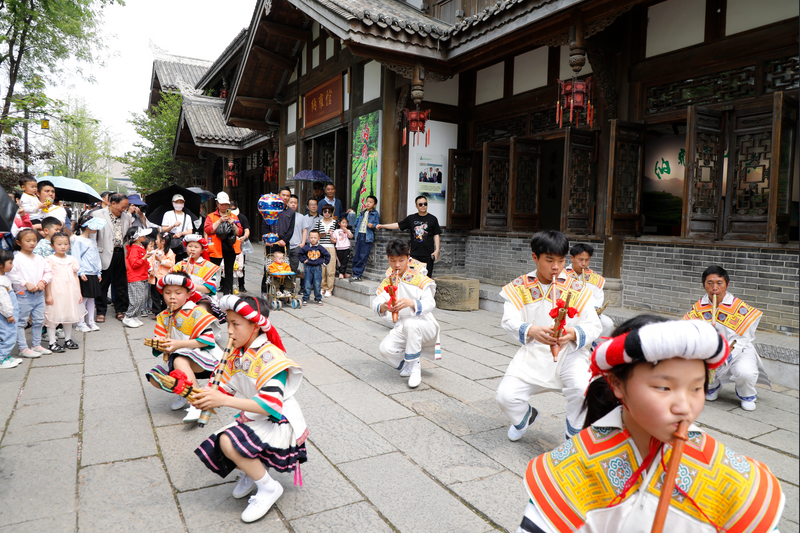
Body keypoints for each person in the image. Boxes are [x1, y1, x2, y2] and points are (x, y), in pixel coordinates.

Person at [516, 316, 785, 533]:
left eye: (696, 388)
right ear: (618, 384)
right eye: (664, 387)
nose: (684, 406)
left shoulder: (724, 470)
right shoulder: (574, 465)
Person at [192, 295, 307, 523]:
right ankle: (254, 472)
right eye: (228, 324)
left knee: (227, 440)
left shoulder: (270, 356)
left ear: (256, 326)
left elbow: (270, 405)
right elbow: (225, 389)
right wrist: (200, 396)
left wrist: (221, 401)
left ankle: (267, 487)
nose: (230, 331)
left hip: (280, 421)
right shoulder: (238, 354)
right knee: (231, 438)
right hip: (257, 417)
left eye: (236, 324)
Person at [495, 230, 601, 442]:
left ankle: (573, 435)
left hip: (570, 352)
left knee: (582, 388)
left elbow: (594, 325)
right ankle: (525, 417)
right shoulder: (520, 286)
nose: (556, 267)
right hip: (535, 351)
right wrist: (531, 330)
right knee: (505, 396)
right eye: (549, 260)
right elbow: (509, 320)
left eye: (561, 261)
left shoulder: (576, 288)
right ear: (535, 257)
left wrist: (572, 333)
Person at [684, 265, 770, 411]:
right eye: (709, 283)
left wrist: (726, 354)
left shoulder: (738, 307)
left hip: (737, 351)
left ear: (727, 284)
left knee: (745, 372)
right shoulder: (699, 308)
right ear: (704, 284)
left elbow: (743, 338)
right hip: (711, 352)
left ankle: (747, 395)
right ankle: (712, 386)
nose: (714, 288)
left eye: (719, 283)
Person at [145, 272, 223, 423]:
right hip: (177, 359)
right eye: (167, 293)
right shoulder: (163, 316)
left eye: (178, 292)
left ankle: (197, 401)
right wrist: (159, 343)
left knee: (180, 359)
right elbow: (159, 337)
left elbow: (207, 340)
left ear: (188, 294)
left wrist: (178, 344)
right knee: (156, 378)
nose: (172, 297)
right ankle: (184, 393)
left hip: (204, 358)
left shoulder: (197, 312)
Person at [371, 239, 441, 388]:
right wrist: (384, 306)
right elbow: (376, 301)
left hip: (424, 323)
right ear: (388, 259)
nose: (397, 265)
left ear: (408, 258)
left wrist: (411, 303)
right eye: (393, 260)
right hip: (403, 325)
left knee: (410, 324)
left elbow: (430, 303)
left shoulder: (419, 278)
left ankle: (415, 368)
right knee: (385, 348)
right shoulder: (389, 280)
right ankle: (407, 364)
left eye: (401, 260)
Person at [7, 228, 52, 357]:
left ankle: (36, 344)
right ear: (19, 242)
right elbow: (11, 274)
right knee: (21, 322)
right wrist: (25, 283)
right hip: (23, 295)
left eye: (34, 240)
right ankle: (23, 348)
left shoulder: (39, 258)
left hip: (38, 294)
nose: (32, 243)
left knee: (38, 320)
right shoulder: (16, 258)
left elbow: (48, 272)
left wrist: (43, 281)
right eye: (28, 241)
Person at [92, 193, 133, 323]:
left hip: (121, 252)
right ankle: (101, 311)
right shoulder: (98, 215)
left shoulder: (127, 217)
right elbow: (94, 237)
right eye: (122, 206)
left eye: (126, 207)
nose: (124, 209)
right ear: (113, 203)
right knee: (103, 283)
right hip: (104, 253)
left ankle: (120, 310)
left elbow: (128, 235)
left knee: (121, 283)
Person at [377, 195, 441, 277]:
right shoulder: (411, 218)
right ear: (416, 206)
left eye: (425, 204)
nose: (423, 206)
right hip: (414, 255)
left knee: (427, 278)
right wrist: (382, 226)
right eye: (420, 204)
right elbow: (398, 225)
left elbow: (436, 234)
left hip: (428, 254)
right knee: (413, 277)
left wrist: (437, 250)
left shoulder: (433, 219)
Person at [43, 232, 83, 353]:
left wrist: (79, 292)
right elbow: (48, 279)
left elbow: (75, 276)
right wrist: (48, 294)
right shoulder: (50, 260)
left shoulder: (72, 259)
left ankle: (68, 339)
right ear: (52, 245)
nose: (63, 246)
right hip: (56, 291)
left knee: (69, 315)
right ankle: (52, 342)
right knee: (53, 316)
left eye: (66, 244)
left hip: (70, 291)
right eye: (59, 244)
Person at [565, 243, 614, 341]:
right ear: (572, 258)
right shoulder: (562, 275)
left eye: (587, 260)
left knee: (608, 323)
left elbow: (599, 297)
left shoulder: (595, 277)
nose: (584, 263)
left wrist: (594, 310)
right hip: (569, 312)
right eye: (580, 260)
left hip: (589, 312)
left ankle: (596, 348)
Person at [204, 192, 242, 296]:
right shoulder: (211, 216)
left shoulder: (234, 216)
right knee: (213, 271)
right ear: (217, 204)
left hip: (230, 246)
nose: (224, 207)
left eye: (226, 204)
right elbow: (208, 230)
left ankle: (227, 294)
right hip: (216, 247)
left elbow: (239, 232)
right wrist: (220, 220)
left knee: (229, 271)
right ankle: (211, 293)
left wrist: (233, 223)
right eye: (222, 204)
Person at [261, 187, 295, 296]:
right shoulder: (270, 209)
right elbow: (264, 225)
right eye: (283, 195)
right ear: (278, 195)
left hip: (284, 244)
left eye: (288, 196)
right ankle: (264, 291)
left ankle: (282, 291)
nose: (285, 198)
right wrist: (267, 239)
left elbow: (291, 229)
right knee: (269, 267)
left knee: (284, 267)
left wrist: (285, 240)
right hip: (272, 243)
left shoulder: (291, 212)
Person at [73, 216, 104, 333]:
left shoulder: (92, 240)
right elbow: (76, 257)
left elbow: (96, 257)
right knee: (84, 298)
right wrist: (80, 272)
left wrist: (98, 271)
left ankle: (91, 321)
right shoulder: (78, 240)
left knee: (92, 298)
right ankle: (80, 322)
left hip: (93, 272)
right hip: (85, 272)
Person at [122, 227, 153, 328]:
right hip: (135, 277)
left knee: (141, 298)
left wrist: (149, 268)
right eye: (142, 235)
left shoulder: (140, 247)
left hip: (141, 276)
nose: (144, 236)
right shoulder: (134, 249)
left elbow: (143, 262)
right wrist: (144, 258)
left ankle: (134, 316)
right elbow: (135, 264)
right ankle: (128, 316)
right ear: (136, 238)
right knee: (136, 299)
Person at [0, 250, 22, 368]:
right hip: (6, 315)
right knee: (8, 335)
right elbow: (3, 301)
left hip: (8, 313)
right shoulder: (1, 281)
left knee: (8, 334)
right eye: (10, 262)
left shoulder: (4, 277)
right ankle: (1, 358)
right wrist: (9, 314)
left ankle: (6, 355)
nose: (12, 265)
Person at [351, 195, 380, 281]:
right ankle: (355, 274)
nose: (368, 203)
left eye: (370, 202)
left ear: (374, 204)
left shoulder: (375, 214)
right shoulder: (361, 213)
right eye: (367, 201)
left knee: (363, 256)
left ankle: (358, 275)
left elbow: (377, 225)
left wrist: (372, 225)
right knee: (356, 255)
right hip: (359, 235)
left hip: (367, 237)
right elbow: (356, 223)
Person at [298, 230, 329, 306]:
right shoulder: (306, 247)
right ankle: (305, 298)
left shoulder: (320, 248)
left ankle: (318, 298)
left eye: (315, 238)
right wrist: (303, 260)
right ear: (308, 238)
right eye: (311, 237)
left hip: (317, 267)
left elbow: (327, 255)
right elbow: (299, 254)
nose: (313, 239)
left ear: (318, 238)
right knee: (307, 283)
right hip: (308, 267)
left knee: (317, 283)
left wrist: (324, 263)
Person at [161, 194, 194, 262]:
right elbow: (163, 229)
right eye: (176, 202)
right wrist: (173, 226)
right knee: (170, 261)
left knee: (183, 262)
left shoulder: (187, 217)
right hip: (170, 242)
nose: (179, 204)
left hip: (183, 242)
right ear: (172, 203)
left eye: (181, 202)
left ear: (183, 203)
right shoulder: (168, 214)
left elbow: (190, 231)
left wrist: (181, 233)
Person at [149, 232, 176, 316]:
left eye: (157, 239)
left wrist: (162, 261)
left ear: (163, 241)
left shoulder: (169, 252)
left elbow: (171, 263)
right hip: (155, 276)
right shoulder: (156, 251)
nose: (156, 241)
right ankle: (156, 311)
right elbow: (151, 261)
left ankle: (164, 310)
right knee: (155, 295)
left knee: (164, 295)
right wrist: (150, 270)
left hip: (164, 277)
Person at [314, 205, 338, 297]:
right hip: (321, 246)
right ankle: (322, 287)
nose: (327, 213)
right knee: (322, 269)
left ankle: (329, 289)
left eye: (329, 211)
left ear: (331, 212)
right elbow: (315, 235)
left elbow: (338, 236)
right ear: (322, 212)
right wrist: (324, 234)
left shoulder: (335, 223)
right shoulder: (319, 222)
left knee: (331, 269)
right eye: (325, 211)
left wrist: (334, 239)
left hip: (331, 246)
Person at [230, 200, 250, 295]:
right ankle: (225, 284)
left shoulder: (242, 217)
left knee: (241, 265)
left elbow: (247, 230)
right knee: (225, 265)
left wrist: (244, 237)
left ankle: (241, 285)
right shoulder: (226, 217)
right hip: (228, 243)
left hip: (239, 244)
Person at [286, 195, 305, 278]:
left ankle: (291, 287)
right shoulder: (283, 215)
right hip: (286, 245)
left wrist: (303, 243)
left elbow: (304, 230)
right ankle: (285, 287)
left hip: (297, 245)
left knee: (294, 268)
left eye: (295, 203)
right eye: (291, 202)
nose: (293, 204)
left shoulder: (301, 217)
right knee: (285, 267)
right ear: (287, 203)